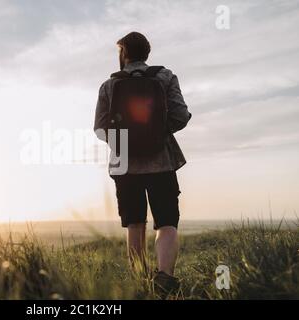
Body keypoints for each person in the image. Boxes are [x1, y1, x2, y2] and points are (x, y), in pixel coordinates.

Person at [94, 31, 191, 296]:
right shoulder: (166, 77)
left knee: (135, 224)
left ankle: (140, 282)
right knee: (167, 222)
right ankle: (165, 277)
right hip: (162, 162)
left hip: (125, 166)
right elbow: (181, 116)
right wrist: (157, 133)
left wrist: (126, 143)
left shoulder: (109, 86)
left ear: (123, 54)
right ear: (147, 53)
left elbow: (100, 129)